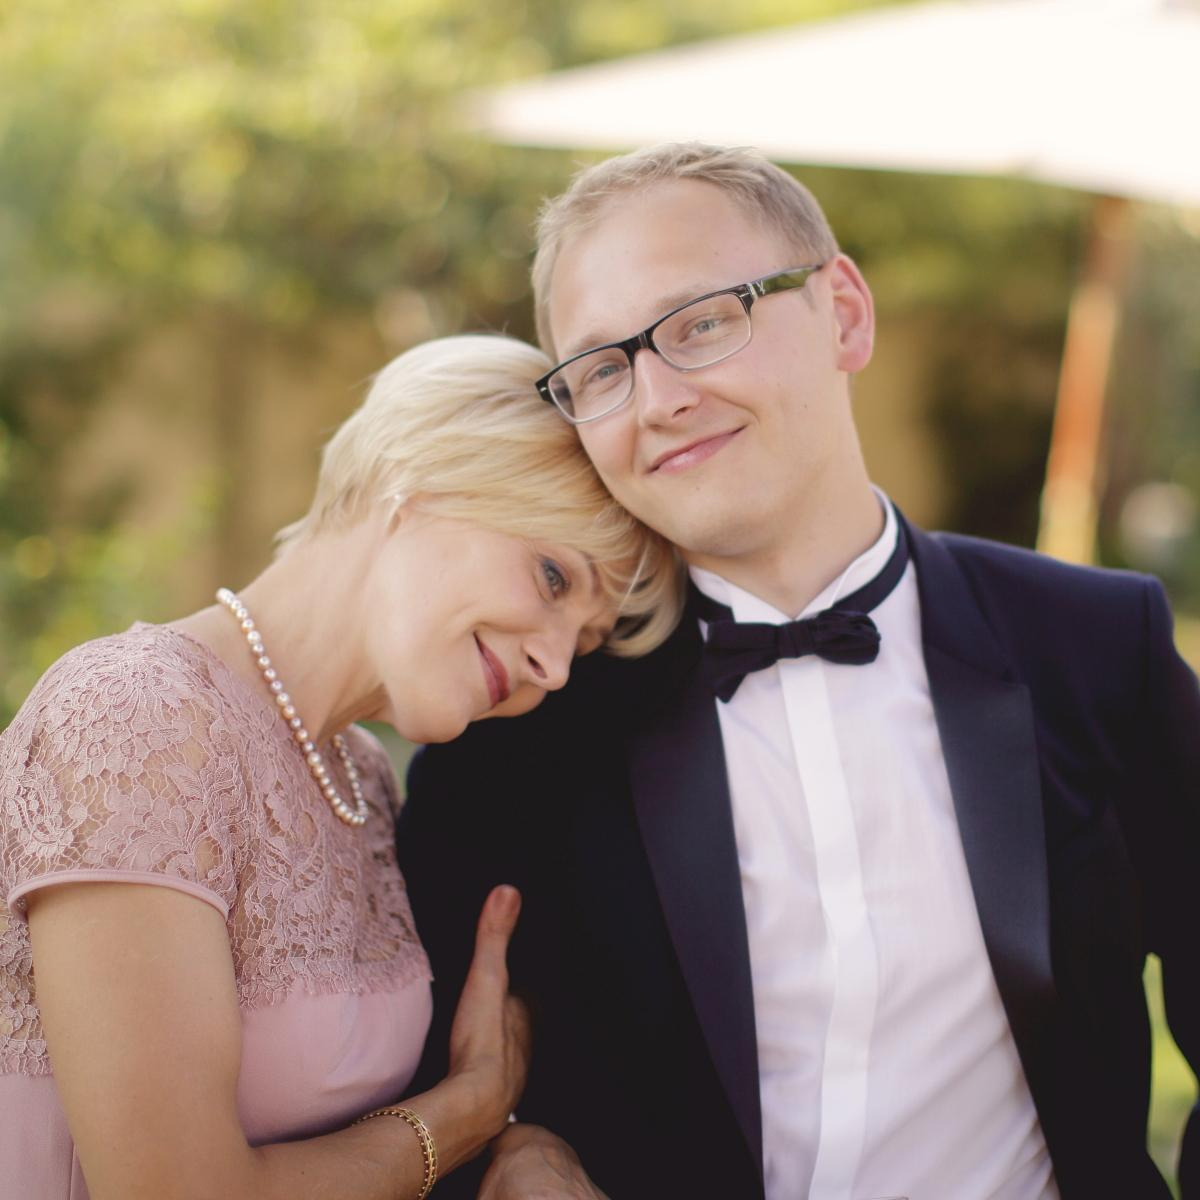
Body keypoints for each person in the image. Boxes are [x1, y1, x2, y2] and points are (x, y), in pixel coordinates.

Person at [398, 145, 1200, 1200]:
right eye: (601, 369)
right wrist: (513, 1149)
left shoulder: (1096, 645)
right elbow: (432, 1098)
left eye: (699, 324)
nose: (657, 399)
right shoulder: (528, 719)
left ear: (844, 314)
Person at [0, 333, 680, 1200]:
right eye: (552, 577)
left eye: (583, 644)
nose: (554, 666)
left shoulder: (365, 778)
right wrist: (468, 1111)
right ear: (419, 476)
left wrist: (519, 1141)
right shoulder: (139, 717)